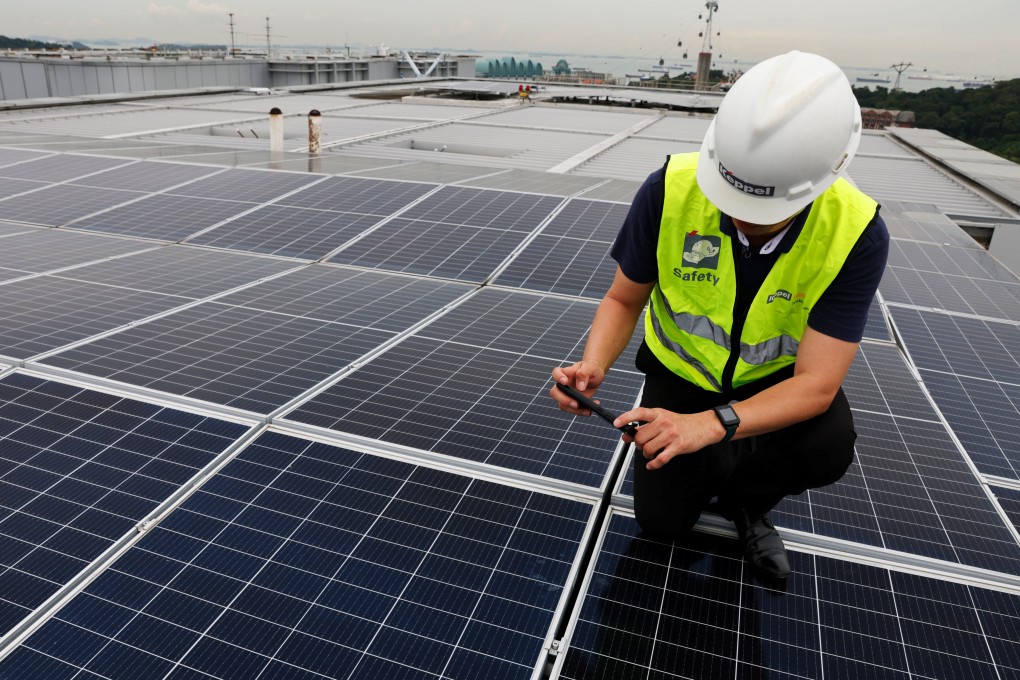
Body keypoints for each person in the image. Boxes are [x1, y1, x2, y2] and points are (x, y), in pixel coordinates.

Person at [550, 51, 889, 579]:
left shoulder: (855, 233)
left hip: (773, 387)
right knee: (662, 525)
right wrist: (594, 364)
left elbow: (817, 385)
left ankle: (748, 504)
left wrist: (714, 426)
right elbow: (623, 298)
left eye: (764, 209)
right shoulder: (669, 189)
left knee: (825, 446)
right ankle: (724, 456)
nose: (740, 216)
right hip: (681, 377)